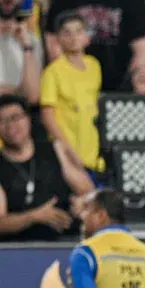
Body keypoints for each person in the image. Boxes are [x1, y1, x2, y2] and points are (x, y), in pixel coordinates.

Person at [0, 93, 93, 242]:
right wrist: (35, 216)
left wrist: (82, 203)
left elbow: (88, 191)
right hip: (18, 248)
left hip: (64, 240)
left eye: (16, 117)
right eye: (2, 121)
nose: (10, 126)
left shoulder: (54, 149)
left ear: (28, 118)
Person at [39, 11, 103, 173]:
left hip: (93, 152)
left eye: (78, 31)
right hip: (69, 152)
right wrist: (67, 149)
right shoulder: (53, 72)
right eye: (67, 32)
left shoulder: (94, 66)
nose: (73, 37)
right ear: (58, 38)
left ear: (86, 37)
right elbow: (47, 115)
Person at [44, 0, 145, 92]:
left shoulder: (134, 3)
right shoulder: (62, 3)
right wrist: (70, 85)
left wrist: (134, 87)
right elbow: (54, 48)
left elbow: (143, 52)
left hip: (119, 87)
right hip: (73, 87)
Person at [0, 0, 42, 105]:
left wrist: (26, 46)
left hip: (19, 115)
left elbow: (32, 96)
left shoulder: (32, 41)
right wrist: (18, 91)